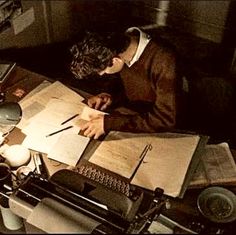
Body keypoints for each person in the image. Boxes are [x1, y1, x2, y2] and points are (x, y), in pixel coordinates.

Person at [69, 27, 186, 139]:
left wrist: (111, 123)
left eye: (103, 71)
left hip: (164, 125)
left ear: (115, 61)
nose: (102, 74)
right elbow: (123, 79)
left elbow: (166, 119)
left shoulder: (165, 61)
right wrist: (109, 94)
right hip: (135, 114)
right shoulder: (119, 43)